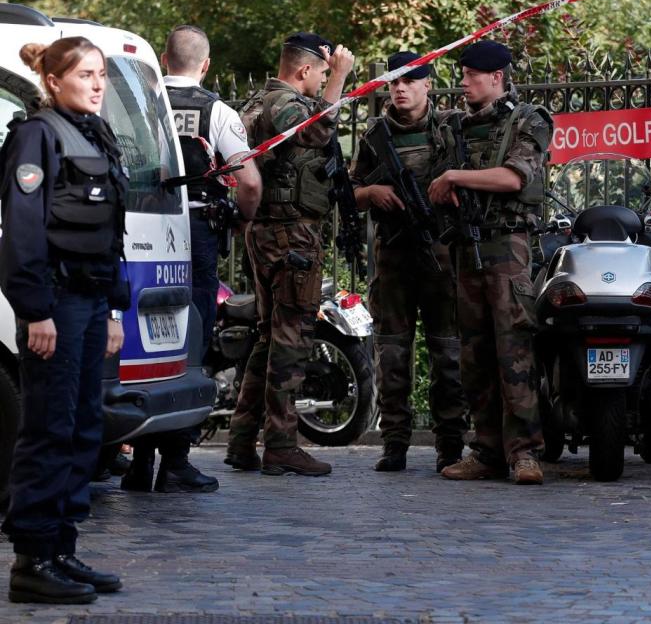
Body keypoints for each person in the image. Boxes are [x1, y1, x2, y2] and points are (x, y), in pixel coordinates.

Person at [1, 37, 129, 603]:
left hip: (92, 302)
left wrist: (115, 308)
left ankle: (61, 549)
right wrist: (36, 312)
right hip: (55, 304)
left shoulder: (96, 132)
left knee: (82, 428)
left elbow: (108, 232)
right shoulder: (37, 135)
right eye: (86, 74)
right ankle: (31, 560)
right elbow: (23, 233)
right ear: (53, 81)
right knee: (49, 428)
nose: (98, 84)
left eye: (102, 74)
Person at [120, 25, 262, 494]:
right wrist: (242, 220)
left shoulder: (144, 103)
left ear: (163, 59)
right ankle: (176, 463)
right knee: (189, 343)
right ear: (206, 66)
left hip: (143, 228)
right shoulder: (215, 110)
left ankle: (140, 462)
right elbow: (250, 180)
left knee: (150, 346)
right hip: (196, 232)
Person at [224, 32, 354, 476]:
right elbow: (317, 131)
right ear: (304, 70)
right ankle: (281, 442)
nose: (322, 80)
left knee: (268, 337)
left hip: (267, 235)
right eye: (320, 72)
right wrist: (340, 78)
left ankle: (243, 440)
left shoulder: (258, 102)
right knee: (291, 338)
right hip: (291, 236)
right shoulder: (285, 105)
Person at [427, 40, 552, 485]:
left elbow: (514, 176)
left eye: (471, 75)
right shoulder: (456, 128)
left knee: (514, 351)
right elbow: (435, 185)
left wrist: (456, 176)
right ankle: (486, 450)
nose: (463, 83)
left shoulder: (529, 120)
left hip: (507, 249)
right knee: (474, 355)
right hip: (465, 247)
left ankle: (525, 454)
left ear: (496, 77)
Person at [350, 51, 467, 473]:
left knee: (448, 352)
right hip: (394, 256)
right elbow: (348, 192)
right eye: (393, 82)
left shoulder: (450, 129)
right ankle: (394, 442)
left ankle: (450, 444)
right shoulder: (375, 136)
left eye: (409, 81)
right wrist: (372, 194)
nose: (399, 88)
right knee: (393, 352)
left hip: (441, 253)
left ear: (427, 85)